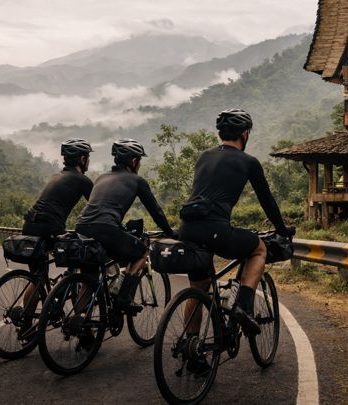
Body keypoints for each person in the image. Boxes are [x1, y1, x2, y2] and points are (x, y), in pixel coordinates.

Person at [179, 108, 295, 338]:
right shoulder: (248, 161)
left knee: (198, 290)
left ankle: (190, 345)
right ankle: (243, 306)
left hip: (188, 229)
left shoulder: (204, 157)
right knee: (258, 249)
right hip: (216, 230)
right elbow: (267, 201)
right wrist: (282, 229)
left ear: (220, 133)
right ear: (244, 134)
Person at [75, 138, 174, 314]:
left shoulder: (101, 177)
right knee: (142, 252)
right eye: (139, 160)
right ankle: (123, 298)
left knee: (89, 277)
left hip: (82, 226)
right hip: (106, 229)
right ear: (134, 161)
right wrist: (170, 232)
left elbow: (101, 208)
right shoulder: (137, 180)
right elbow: (156, 211)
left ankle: (78, 319)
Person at [22, 138, 94, 250]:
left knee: (41, 258)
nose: (89, 161)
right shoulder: (83, 180)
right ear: (82, 159)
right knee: (82, 252)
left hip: (29, 224)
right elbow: (97, 205)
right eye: (88, 157)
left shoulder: (56, 176)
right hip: (49, 227)